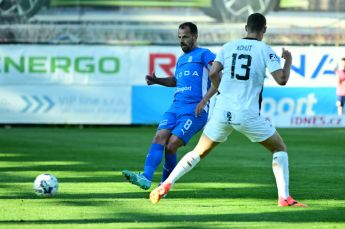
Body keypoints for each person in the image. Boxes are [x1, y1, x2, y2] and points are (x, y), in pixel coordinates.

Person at [150, 13, 307, 207]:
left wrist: (218, 89)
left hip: (222, 111)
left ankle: (165, 185)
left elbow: (214, 72)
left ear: (245, 27)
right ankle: (284, 198)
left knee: (198, 152)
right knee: (279, 148)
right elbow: (282, 79)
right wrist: (288, 60)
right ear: (264, 29)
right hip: (246, 112)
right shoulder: (265, 50)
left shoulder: (228, 47)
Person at [122, 22, 216, 190]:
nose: (182, 41)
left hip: (195, 110)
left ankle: (164, 185)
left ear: (195, 36)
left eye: (185, 37)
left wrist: (204, 101)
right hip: (175, 107)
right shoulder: (181, 60)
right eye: (179, 37)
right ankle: (145, 177)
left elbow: (217, 76)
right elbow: (175, 81)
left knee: (172, 145)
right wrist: (157, 80)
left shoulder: (205, 54)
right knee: (159, 137)